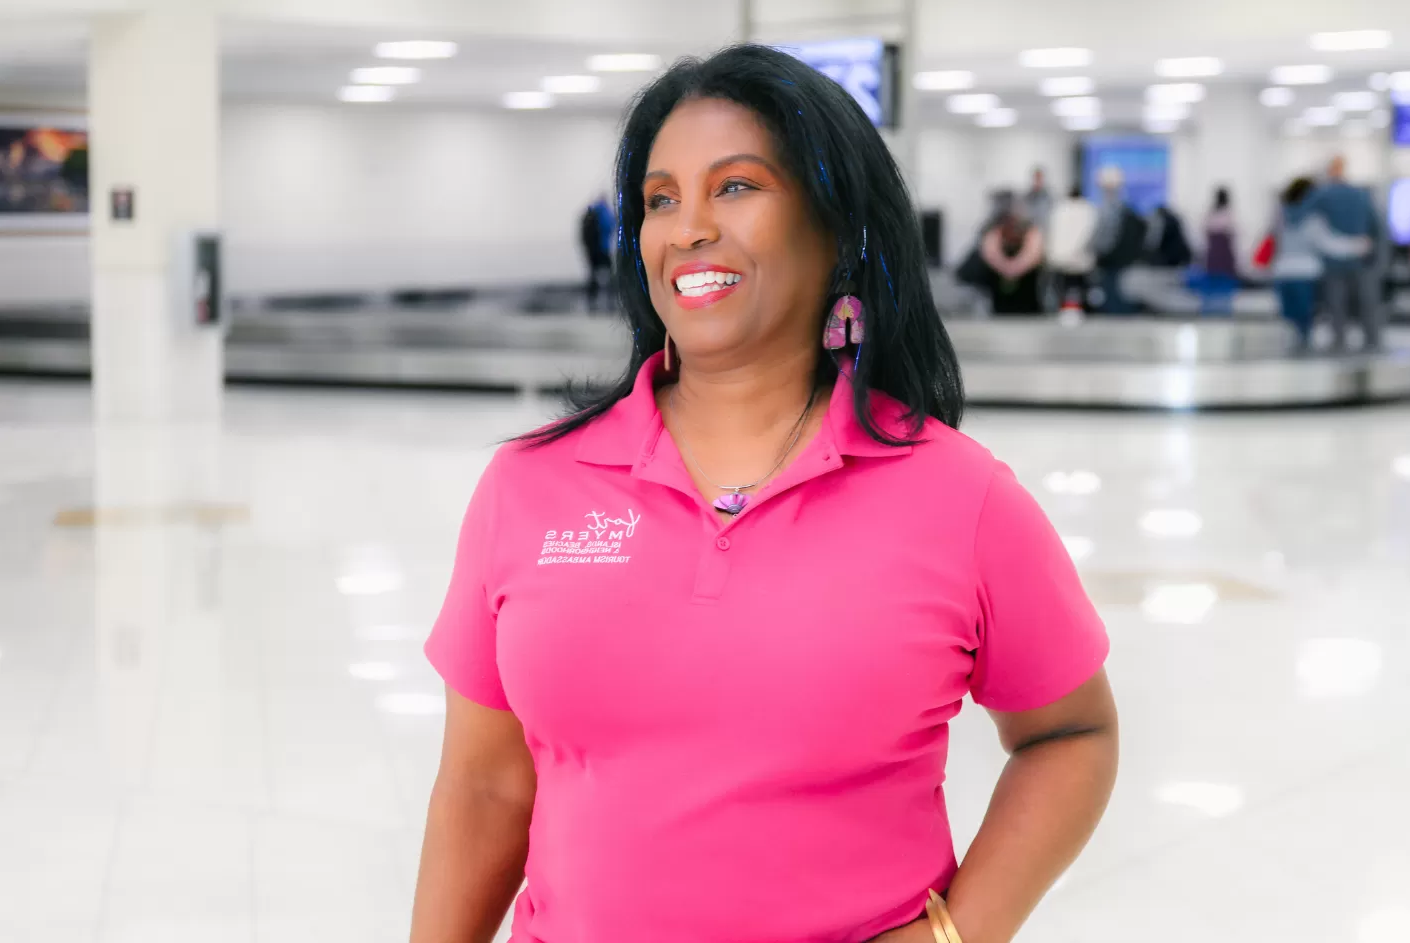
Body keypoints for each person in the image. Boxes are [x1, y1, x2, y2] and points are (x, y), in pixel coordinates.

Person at [412, 45, 1118, 943]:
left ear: (838, 227)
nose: (689, 227)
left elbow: (1072, 735)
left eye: (736, 187)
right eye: (661, 199)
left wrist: (955, 934)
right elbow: (484, 785)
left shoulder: (958, 495)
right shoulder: (531, 486)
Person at [1268, 177, 1371, 352]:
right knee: (1305, 323)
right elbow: (1328, 244)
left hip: (1283, 273)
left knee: (1291, 321)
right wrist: (1356, 245)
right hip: (1305, 274)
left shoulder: (1280, 217)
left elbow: (1273, 244)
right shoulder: (1312, 220)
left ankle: (1295, 351)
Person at [1310, 155, 1384, 351]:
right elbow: (1376, 225)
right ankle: (1372, 339)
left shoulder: (1321, 195)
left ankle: (1339, 340)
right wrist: (1374, 251)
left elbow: (1307, 223)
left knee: (1336, 304)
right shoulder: (1361, 194)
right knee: (1367, 303)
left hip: (1333, 260)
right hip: (1360, 256)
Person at [1091, 166, 1147, 313]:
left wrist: (1096, 251)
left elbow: (1104, 237)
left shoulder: (1109, 208)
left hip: (1111, 261)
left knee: (1113, 297)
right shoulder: (1123, 207)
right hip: (1120, 260)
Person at [979, 192, 1047, 315]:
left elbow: (1034, 252)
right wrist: (1007, 268)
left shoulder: (1030, 230)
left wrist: (1014, 268)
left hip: (1028, 298)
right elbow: (990, 251)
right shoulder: (994, 230)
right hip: (1000, 301)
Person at [1045, 182, 1099, 314]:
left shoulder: (1059, 209)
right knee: (1078, 292)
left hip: (1061, 260)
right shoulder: (1089, 209)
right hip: (1081, 262)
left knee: (1064, 292)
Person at [1200, 186, 1239, 314]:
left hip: (1213, 258)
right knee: (1224, 295)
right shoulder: (1228, 215)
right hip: (1223, 258)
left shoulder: (1210, 215)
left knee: (1210, 294)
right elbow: (1232, 236)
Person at [579, 193, 616, 310]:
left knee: (592, 276)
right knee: (610, 275)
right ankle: (610, 302)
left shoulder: (590, 213)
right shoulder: (604, 212)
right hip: (603, 248)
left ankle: (592, 303)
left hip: (590, 250)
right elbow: (611, 226)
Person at [1022, 165, 1053, 232]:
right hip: (1030, 228)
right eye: (1036, 178)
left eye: (1039, 178)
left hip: (1043, 228)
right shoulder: (1028, 195)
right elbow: (1025, 213)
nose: (1037, 180)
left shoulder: (1048, 196)